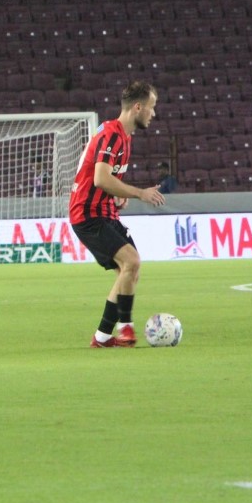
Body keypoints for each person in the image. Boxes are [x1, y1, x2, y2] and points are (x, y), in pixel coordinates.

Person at [70, 81, 166, 348]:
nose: (153, 114)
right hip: (88, 214)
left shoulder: (122, 135)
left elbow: (100, 175)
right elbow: (101, 178)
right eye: (151, 107)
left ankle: (102, 336)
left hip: (103, 210)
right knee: (131, 262)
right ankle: (126, 328)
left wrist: (118, 193)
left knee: (130, 269)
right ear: (137, 107)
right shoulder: (112, 135)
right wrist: (138, 193)